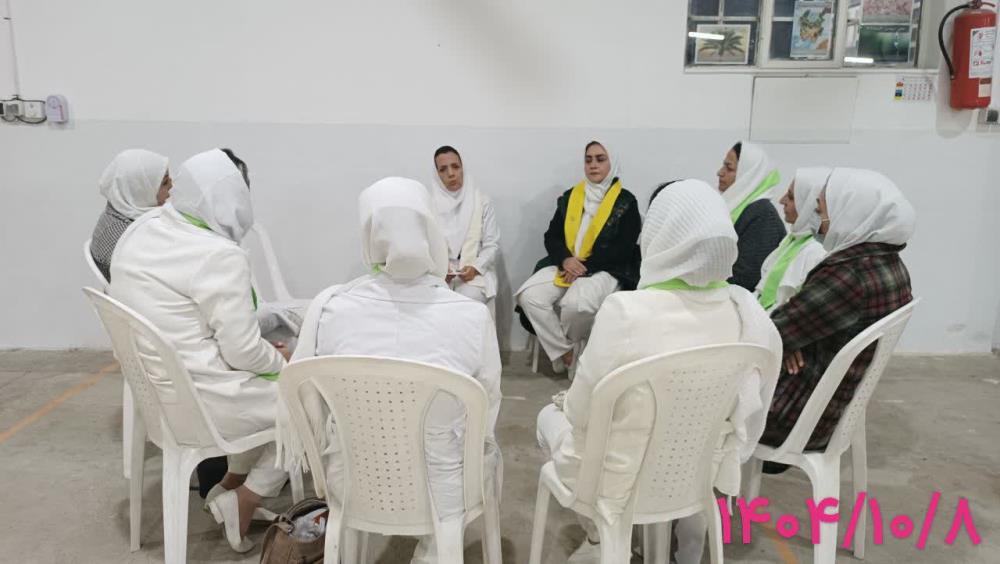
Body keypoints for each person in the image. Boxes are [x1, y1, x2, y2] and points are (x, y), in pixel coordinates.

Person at [535, 180, 781, 563]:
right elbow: (752, 407)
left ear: (659, 235)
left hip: (619, 481)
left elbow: (581, 412)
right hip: (698, 473)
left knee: (548, 418)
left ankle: (598, 538)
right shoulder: (745, 312)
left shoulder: (626, 311)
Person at [286, 177, 502, 564]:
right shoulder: (471, 316)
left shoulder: (330, 310)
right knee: (483, 450)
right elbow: (486, 409)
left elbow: (314, 405)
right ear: (430, 231)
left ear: (369, 234)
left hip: (353, 483)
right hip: (442, 491)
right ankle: (434, 552)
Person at [110, 148, 289, 552]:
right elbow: (242, 352)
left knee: (276, 387)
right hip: (204, 401)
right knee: (314, 402)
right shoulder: (218, 254)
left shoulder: (144, 229)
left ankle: (228, 485)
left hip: (158, 396)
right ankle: (245, 499)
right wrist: (282, 363)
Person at [761, 168, 915, 465]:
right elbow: (787, 330)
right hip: (830, 407)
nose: (817, 221)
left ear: (852, 213)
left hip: (792, 415)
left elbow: (771, 334)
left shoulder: (848, 274)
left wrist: (789, 339)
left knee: (698, 391)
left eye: (821, 211)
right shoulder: (890, 263)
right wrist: (792, 340)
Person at [516, 141, 641, 373]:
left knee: (576, 305)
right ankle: (566, 352)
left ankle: (576, 356)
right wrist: (566, 260)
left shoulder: (626, 202)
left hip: (606, 268)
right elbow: (552, 236)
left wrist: (584, 266)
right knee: (529, 296)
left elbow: (623, 249)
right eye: (588, 160)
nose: (593, 165)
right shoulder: (571, 197)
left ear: (612, 163)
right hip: (568, 264)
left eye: (600, 159)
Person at [430, 145, 500, 304]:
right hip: (441, 275)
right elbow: (425, 246)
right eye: (443, 169)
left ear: (463, 168)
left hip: (475, 273)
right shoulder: (430, 205)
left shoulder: (482, 202)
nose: (451, 174)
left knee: (466, 301)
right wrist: (439, 268)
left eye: (455, 167)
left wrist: (476, 267)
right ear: (436, 175)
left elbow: (491, 245)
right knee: (434, 301)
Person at [754, 168, 830, 311]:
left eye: (791, 197)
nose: (781, 201)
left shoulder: (818, 250)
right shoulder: (793, 240)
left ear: (810, 204)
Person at [89, 149, 171, 281]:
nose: (171, 186)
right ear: (140, 189)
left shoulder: (120, 210)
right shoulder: (127, 238)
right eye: (165, 182)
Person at [716, 141, 786, 290]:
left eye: (729, 168)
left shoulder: (762, 215)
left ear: (748, 175)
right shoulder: (736, 208)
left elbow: (747, 278)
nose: (720, 172)